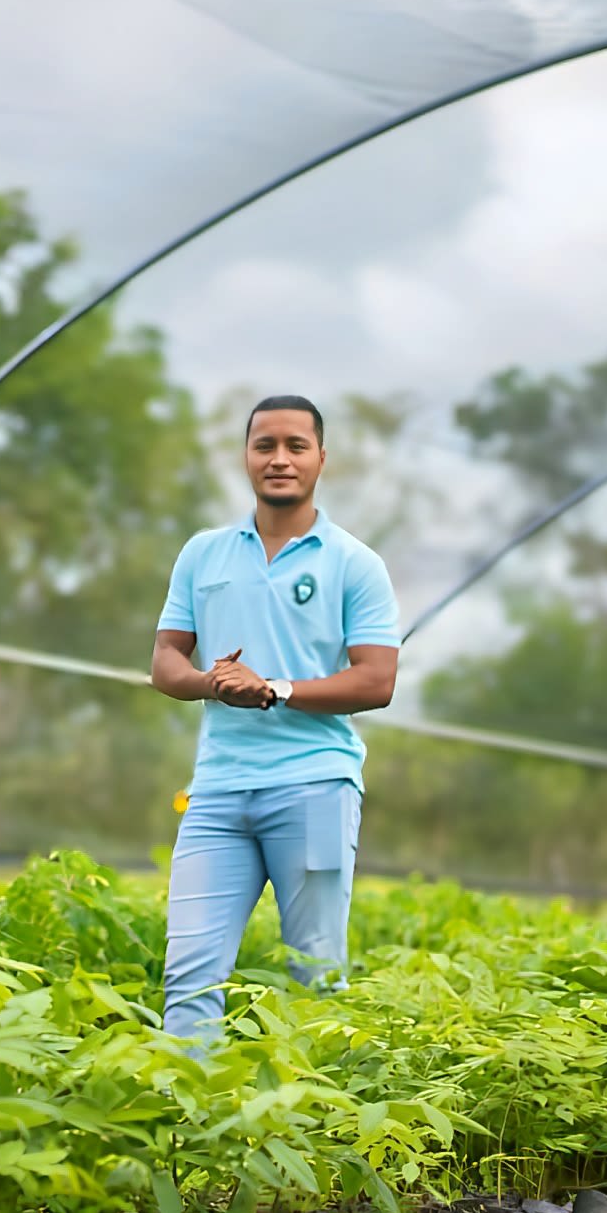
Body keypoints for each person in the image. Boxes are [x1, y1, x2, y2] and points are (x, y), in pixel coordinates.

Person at [150, 395, 399, 1043]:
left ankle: (314, 1131)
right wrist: (214, 682)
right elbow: (165, 662)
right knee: (189, 976)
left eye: (295, 446)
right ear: (246, 457)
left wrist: (274, 690)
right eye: (265, 445)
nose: (280, 459)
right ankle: (188, 1123)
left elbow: (377, 681)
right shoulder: (203, 555)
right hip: (216, 794)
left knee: (316, 970)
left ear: (322, 459)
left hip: (316, 791)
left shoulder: (353, 563)